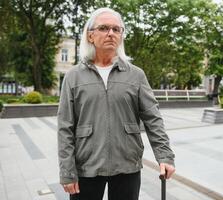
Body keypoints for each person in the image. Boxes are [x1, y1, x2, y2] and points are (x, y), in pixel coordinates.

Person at [57, 7, 175, 200]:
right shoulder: (73, 76)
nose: (111, 33)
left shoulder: (136, 75)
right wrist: (67, 171)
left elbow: (153, 119)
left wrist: (165, 156)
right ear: (90, 35)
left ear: (121, 36)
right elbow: (65, 127)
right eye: (103, 28)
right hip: (86, 166)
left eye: (116, 29)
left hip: (127, 165)